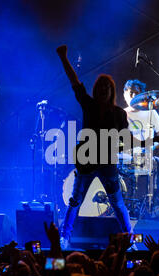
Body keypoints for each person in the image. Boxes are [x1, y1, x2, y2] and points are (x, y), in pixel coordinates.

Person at [56, 45, 151, 250]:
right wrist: (63, 58)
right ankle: (65, 238)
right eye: (100, 88)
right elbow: (75, 82)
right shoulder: (88, 104)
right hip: (86, 163)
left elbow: (126, 139)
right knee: (75, 201)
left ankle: (130, 240)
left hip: (107, 163)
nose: (102, 91)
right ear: (96, 91)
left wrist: (148, 141)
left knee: (117, 204)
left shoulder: (119, 114)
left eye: (106, 88)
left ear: (111, 92)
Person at [122, 79, 159, 216]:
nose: (133, 96)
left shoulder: (151, 112)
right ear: (125, 94)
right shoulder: (122, 113)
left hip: (146, 155)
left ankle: (157, 200)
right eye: (131, 93)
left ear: (142, 95)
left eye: (136, 93)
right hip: (127, 156)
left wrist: (151, 148)